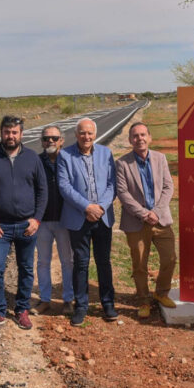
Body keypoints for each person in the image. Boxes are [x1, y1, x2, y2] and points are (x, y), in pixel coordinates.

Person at [0, 116, 47, 330]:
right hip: (0, 227)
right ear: (1, 132)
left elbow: (42, 191)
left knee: (26, 269)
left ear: (21, 134)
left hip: (27, 226)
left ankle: (22, 309)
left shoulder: (32, 158)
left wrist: (37, 219)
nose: (11, 136)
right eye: (7, 132)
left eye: (14, 132)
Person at [57, 118, 117, 327]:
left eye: (90, 133)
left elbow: (111, 184)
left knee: (104, 262)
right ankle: (81, 305)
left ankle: (108, 303)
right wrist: (87, 207)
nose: (87, 137)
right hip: (78, 218)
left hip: (103, 217)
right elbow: (64, 187)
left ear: (95, 134)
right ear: (76, 134)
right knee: (81, 263)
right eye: (83, 133)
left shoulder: (106, 153)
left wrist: (100, 207)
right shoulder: (65, 155)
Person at [116, 122, 177, 318]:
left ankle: (161, 293)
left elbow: (168, 187)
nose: (140, 139)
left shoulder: (160, 158)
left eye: (143, 135)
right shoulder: (122, 163)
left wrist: (156, 212)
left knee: (170, 258)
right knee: (140, 264)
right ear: (130, 140)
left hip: (161, 220)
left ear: (149, 137)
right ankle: (143, 300)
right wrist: (143, 213)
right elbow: (123, 193)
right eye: (135, 136)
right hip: (136, 222)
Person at [33, 125, 74, 316]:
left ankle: (68, 300)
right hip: (42, 221)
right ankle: (45, 299)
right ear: (41, 141)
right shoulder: (35, 161)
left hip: (65, 220)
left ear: (61, 141)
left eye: (54, 138)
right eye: (46, 138)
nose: (50, 141)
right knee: (43, 261)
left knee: (67, 261)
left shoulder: (69, 160)